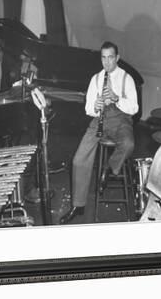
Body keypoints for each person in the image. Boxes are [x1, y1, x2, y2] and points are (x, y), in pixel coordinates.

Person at [59, 41, 138, 224]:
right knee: (78, 159)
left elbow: (134, 108)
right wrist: (96, 106)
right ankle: (78, 206)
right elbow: (88, 109)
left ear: (117, 58)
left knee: (128, 144)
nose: (107, 63)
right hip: (99, 121)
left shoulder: (127, 78)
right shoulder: (96, 79)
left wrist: (116, 98)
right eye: (103, 58)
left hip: (121, 120)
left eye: (111, 57)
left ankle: (109, 169)